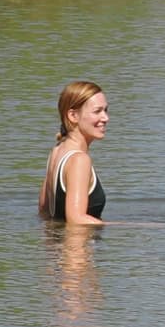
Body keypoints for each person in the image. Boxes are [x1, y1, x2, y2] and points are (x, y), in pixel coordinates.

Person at [39, 80, 109, 224]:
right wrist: (132, 227)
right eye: (97, 111)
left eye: (105, 110)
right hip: (77, 239)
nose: (105, 118)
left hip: (60, 239)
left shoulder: (57, 151)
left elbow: (44, 212)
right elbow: (76, 219)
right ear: (73, 116)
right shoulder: (79, 160)